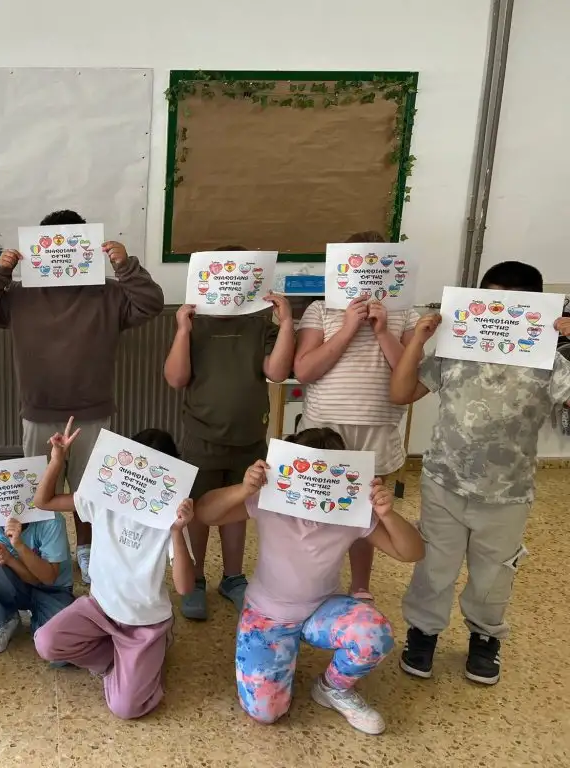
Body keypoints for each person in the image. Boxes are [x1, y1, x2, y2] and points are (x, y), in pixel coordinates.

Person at [390, 260, 570, 686]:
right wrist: (419, 341)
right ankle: (423, 631)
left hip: (508, 493)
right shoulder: (455, 350)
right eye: (491, 301)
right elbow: (401, 392)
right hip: (444, 481)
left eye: (514, 305)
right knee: (434, 562)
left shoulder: (549, 362)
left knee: (495, 572)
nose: (500, 313)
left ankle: (485, 636)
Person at [193, 428, 424, 734]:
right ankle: (281, 656)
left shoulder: (350, 511)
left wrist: (387, 514)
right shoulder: (269, 499)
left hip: (322, 609)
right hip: (267, 614)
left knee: (374, 634)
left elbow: (412, 552)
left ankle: (332, 687)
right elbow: (205, 513)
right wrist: (243, 489)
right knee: (265, 713)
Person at [0, 210, 164, 584]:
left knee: (90, 492)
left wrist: (125, 266)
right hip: (39, 410)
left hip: (91, 411)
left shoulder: (109, 293)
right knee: (38, 493)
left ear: (87, 248)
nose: (60, 252)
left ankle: (86, 549)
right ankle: (40, 555)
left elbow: (151, 304)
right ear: (38, 249)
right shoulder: (20, 295)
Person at [164, 245, 295, 620]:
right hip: (201, 437)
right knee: (197, 510)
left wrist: (287, 323)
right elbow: (176, 378)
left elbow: (277, 372)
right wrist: (183, 330)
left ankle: (233, 578)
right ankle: (196, 579)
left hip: (248, 437)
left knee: (238, 508)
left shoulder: (259, 325)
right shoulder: (196, 324)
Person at [32, 420, 195, 720]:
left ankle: (149, 656)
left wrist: (176, 531)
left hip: (144, 624)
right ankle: (118, 661)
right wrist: (57, 460)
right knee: (46, 642)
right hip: (99, 610)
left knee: (126, 708)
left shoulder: (170, 521)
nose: (144, 479)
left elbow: (185, 588)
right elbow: (43, 501)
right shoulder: (104, 499)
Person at [293, 231, 421, 602]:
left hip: (377, 430)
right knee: (315, 506)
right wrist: (349, 327)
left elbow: (410, 376)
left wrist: (382, 332)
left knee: (367, 511)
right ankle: (310, 581)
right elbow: (304, 370)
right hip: (324, 428)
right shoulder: (321, 310)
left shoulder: (406, 313)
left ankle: (360, 585)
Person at [0, 514, 75, 656]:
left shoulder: (52, 521)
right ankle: (7, 618)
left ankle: (40, 620)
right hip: (21, 584)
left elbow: (48, 578)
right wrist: (8, 559)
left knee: (61, 650)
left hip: (54, 590)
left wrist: (19, 545)